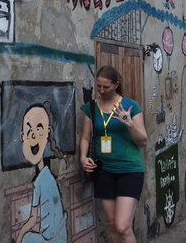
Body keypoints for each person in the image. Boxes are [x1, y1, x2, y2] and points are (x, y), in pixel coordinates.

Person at [80, 66, 147, 243]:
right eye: (99, 86)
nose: (101, 90)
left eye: (106, 87)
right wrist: (82, 157)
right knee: (111, 224)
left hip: (129, 170)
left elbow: (143, 141)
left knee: (123, 226)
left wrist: (129, 123)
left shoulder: (131, 106)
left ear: (116, 85)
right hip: (104, 171)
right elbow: (86, 137)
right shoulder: (91, 108)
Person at [15, 102, 67, 243]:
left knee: (26, 238)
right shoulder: (47, 175)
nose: (33, 135)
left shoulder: (41, 180)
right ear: (22, 136)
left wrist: (19, 237)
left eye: (39, 129)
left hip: (53, 239)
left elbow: (33, 219)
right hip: (61, 235)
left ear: (48, 133)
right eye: (29, 131)